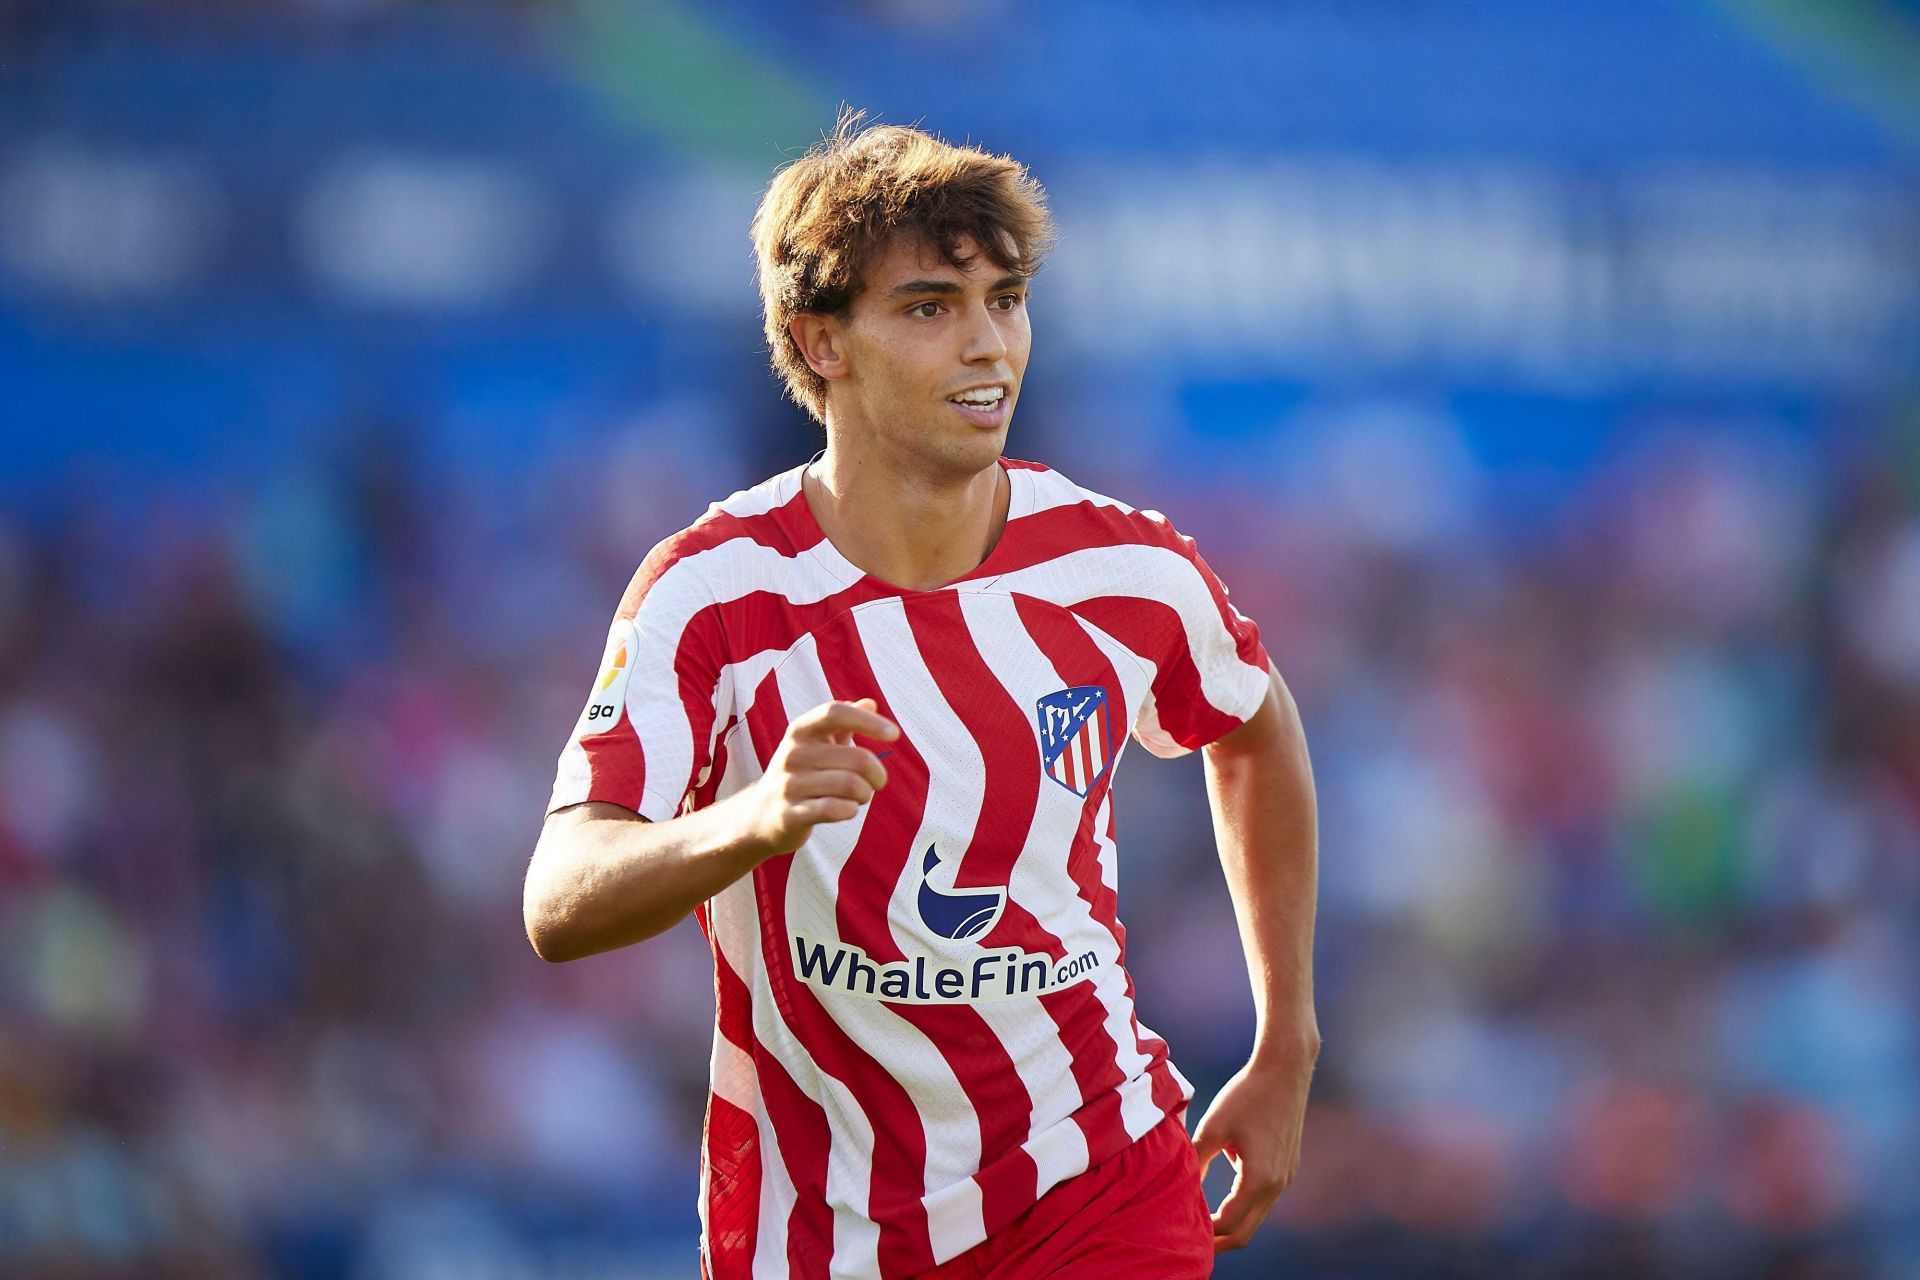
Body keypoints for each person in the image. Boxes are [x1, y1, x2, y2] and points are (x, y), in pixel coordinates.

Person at [523, 110, 1321, 1279]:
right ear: (823, 341)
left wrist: (1286, 1039)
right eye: (930, 309)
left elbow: (1251, 723)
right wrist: (753, 818)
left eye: (1005, 298)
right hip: (824, 1226)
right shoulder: (713, 591)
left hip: (1096, 1179)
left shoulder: (1124, 568)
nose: (988, 344)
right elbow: (559, 897)